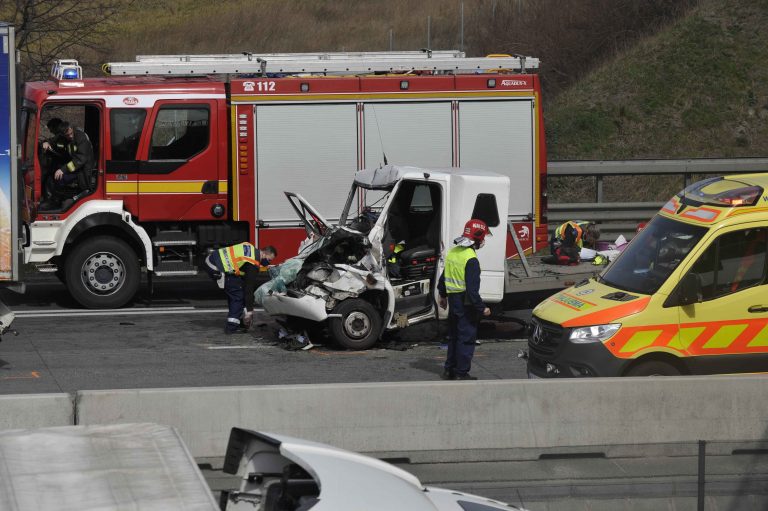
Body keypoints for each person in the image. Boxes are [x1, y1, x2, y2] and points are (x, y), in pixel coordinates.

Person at [437, 219, 492, 381]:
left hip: (453, 300)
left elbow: (444, 276)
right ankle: (462, 373)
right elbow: (472, 291)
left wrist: (443, 295)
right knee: (466, 337)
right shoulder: (471, 259)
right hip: (465, 302)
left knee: (453, 336)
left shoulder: (454, 252)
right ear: (477, 237)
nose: (483, 241)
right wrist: (482, 308)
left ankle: (449, 370)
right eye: (483, 238)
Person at [205, 242, 277, 334]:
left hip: (212, 258)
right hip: (216, 267)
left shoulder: (250, 247)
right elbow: (249, 288)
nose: (267, 263)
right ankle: (231, 328)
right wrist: (249, 311)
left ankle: (236, 321)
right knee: (238, 296)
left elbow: (241, 273)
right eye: (268, 260)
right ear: (264, 253)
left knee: (236, 288)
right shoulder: (253, 263)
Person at [40, 121, 95, 211]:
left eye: (71, 133)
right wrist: (46, 142)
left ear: (72, 129)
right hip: (74, 165)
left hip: (83, 169)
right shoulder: (62, 137)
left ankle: (57, 201)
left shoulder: (81, 137)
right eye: (67, 135)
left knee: (59, 178)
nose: (70, 136)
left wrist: (63, 169)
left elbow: (80, 159)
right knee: (53, 175)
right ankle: (57, 199)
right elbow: (53, 141)